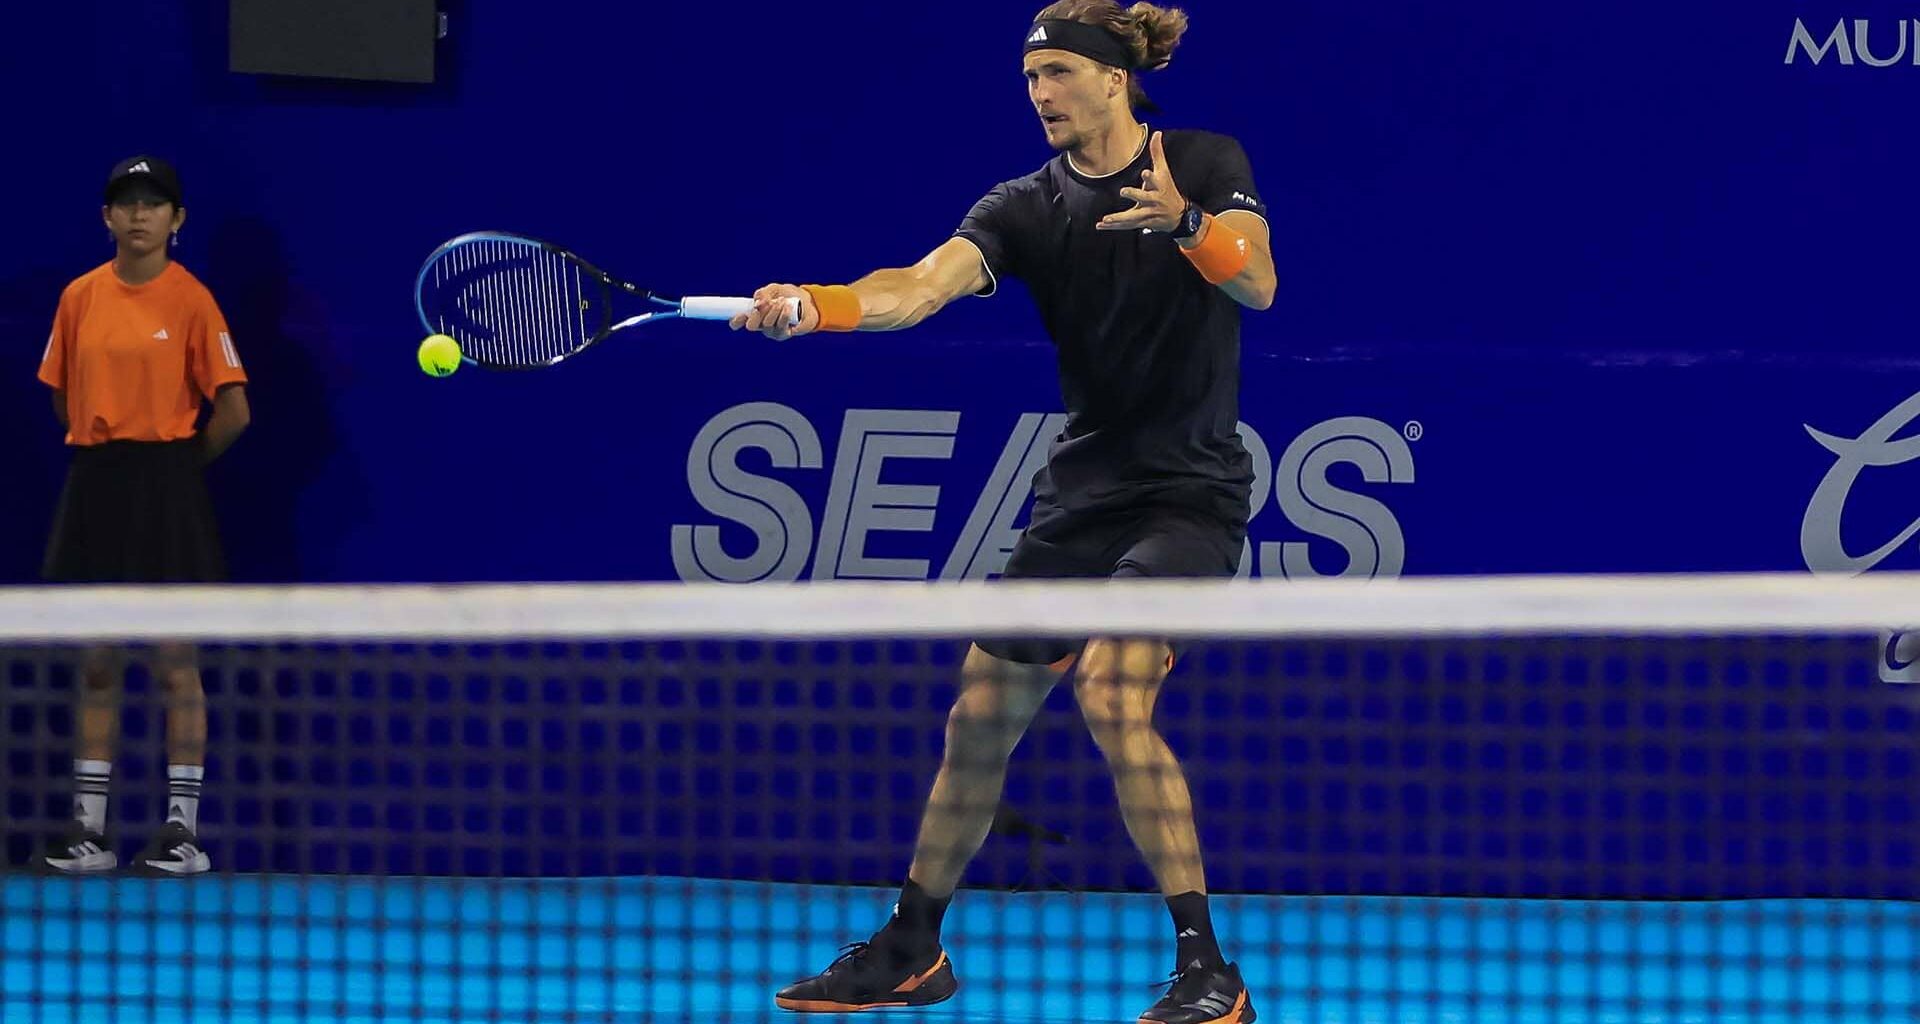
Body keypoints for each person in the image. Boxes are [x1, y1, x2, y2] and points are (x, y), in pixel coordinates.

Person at [732, 3, 1274, 1020]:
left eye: (1060, 73)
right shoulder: (1026, 205)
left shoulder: (1199, 160)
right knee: (980, 715)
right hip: (1083, 494)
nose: (1040, 94)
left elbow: (1258, 281)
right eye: (1031, 79)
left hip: (1191, 493)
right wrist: (820, 302)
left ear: (1115, 79)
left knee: (1113, 694)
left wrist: (1190, 225)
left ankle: (1208, 967)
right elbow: (919, 286)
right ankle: (913, 945)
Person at [38, 154, 251, 876]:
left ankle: (181, 834)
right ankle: (88, 833)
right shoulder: (78, 298)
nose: (138, 215)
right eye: (126, 203)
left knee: (174, 663)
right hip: (96, 483)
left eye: (153, 204)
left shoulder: (193, 300)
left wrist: (174, 471)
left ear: (176, 220)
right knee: (97, 662)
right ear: (107, 217)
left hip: (168, 492)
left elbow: (232, 410)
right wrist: (114, 451)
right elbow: (64, 393)